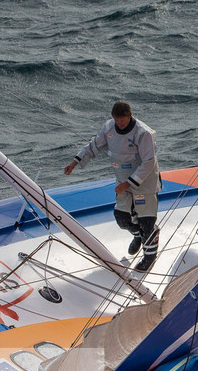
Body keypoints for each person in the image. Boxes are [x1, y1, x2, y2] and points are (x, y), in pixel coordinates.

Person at [64, 101, 161, 272]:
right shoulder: (109, 128)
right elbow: (94, 146)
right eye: (116, 120)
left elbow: (149, 162)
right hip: (122, 182)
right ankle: (138, 235)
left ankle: (149, 257)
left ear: (129, 116)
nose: (119, 124)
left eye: (122, 120)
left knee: (147, 221)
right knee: (122, 218)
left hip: (144, 183)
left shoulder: (143, 133)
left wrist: (129, 183)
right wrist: (75, 162)